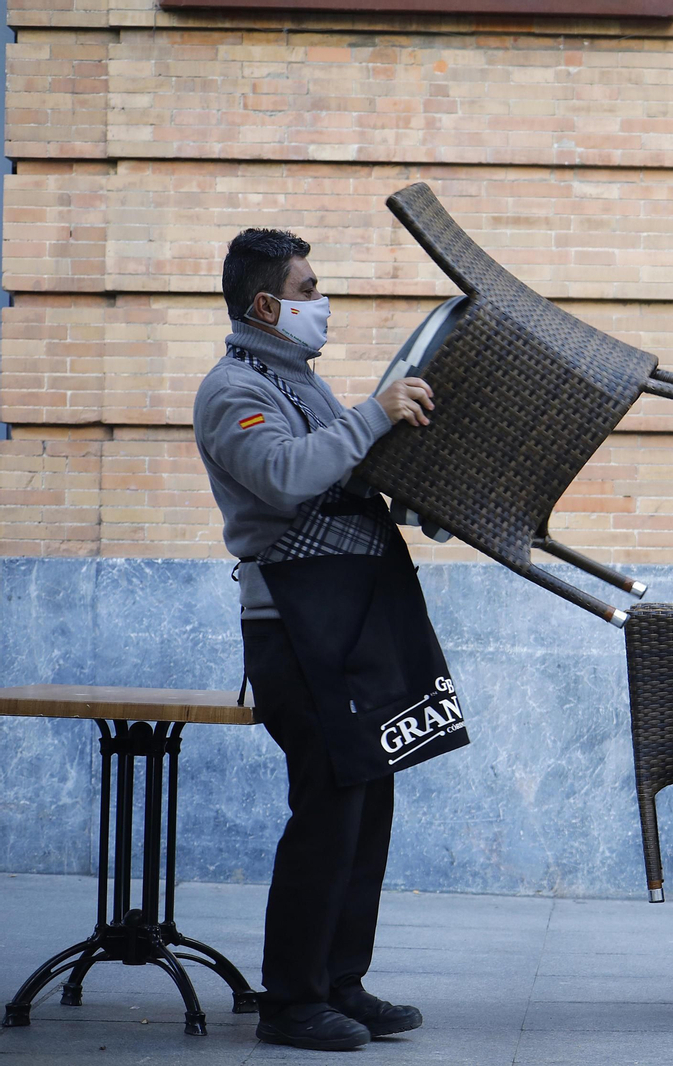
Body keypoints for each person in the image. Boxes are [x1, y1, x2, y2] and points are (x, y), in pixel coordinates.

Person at [193, 229, 444, 1051]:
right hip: (296, 628)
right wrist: (374, 413)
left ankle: (341, 982)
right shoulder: (234, 390)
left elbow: (348, 476)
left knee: (369, 795)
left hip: (353, 619)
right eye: (308, 288)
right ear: (267, 305)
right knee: (328, 805)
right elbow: (285, 475)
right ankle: (292, 1001)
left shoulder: (301, 382)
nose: (319, 301)